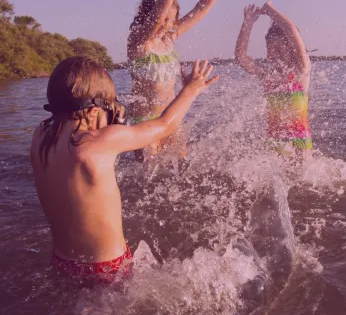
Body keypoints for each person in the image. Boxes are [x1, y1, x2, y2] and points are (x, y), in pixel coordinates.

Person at [30, 56, 218, 283]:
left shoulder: (39, 137)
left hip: (62, 262)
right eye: (108, 110)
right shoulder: (98, 142)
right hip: (107, 268)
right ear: (92, 112)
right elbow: (164, 125)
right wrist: (190, 90)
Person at [127, 0, 232, 161]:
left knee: (182, 168)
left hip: (171, 117)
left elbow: (202, 9)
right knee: (148, 176)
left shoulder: (169, 38)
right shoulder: (138, 42)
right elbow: (156, 19)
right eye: (162, 19)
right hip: (144, 121)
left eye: (170, 20)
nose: (165, 24)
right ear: (146, 16)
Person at [235, 1, 313, 157]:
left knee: (302, 180)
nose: (273, 54)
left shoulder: (301, 71)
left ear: (292, 49)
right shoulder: (268, 76)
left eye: (278, 49)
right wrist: (247, 23)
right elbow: (240, 57)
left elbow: (290, 29)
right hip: (274, 141)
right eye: (269, 49)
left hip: (300, 143)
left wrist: (269, 9)